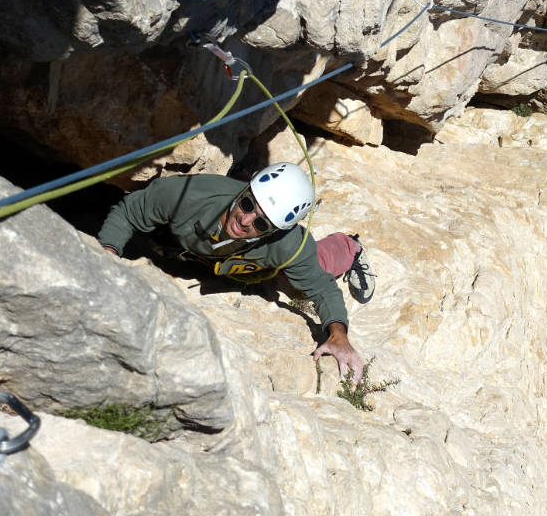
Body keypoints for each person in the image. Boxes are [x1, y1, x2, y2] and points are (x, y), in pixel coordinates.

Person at [97, 162, 375, 384]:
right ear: (244, 193)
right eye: (247, 205)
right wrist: (106, 255)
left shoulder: (286, 244)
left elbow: (322, 288)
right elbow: (130, 212)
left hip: (253, 268)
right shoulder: (190, 194)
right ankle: (241, 174)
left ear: (275, 231)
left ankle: (349, 246)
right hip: (188, 251)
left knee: (303, 276)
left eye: (262, 223)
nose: (245, 220)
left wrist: (338, 334)